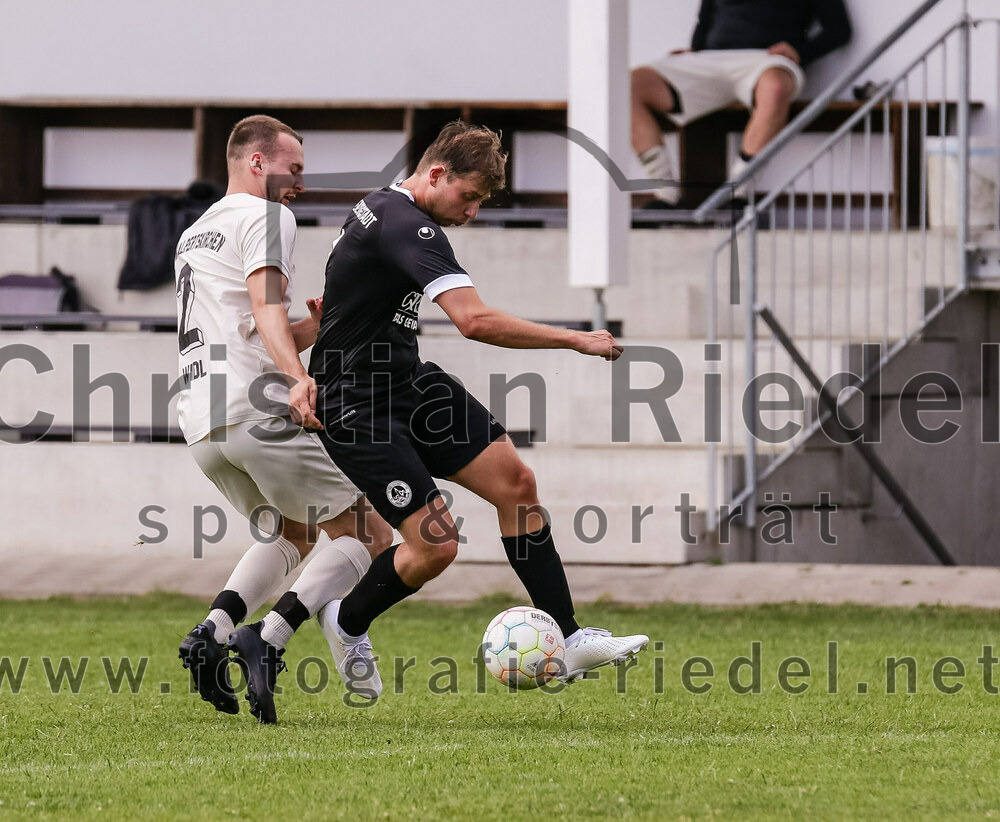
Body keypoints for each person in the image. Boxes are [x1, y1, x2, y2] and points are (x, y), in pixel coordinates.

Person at [302, 121, 649, 700]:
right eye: (470, 197)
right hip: (355, 402)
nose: (472, 212)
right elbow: (474, 321)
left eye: (482, 202)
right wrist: (576, 340)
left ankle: (568, 635)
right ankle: (347, 619)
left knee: (517, 483)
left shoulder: (385, 205)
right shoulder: (405, 223)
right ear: (436, 174)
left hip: (407, 383)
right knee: (435, 545)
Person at [174, 114, 391, 724]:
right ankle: (265, 637)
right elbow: (267, 310)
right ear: (257, 163)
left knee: (292, 537)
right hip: (252, 404)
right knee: (368, 532)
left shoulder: (196, 232)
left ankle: (212, 630)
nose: (300, 182)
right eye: (294, 168)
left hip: (199, 417)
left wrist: (310, 332)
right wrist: (298, 377)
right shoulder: (268, 216)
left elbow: (244, 326)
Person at [631, 0, 851, 206]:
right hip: (710, 59)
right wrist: (694, 51)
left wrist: (800, 53)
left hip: (766, 59)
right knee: (629, 84)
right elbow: (705, 18)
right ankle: (665, 194)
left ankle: (738, 193)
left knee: (775, 88)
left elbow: (839, 30)